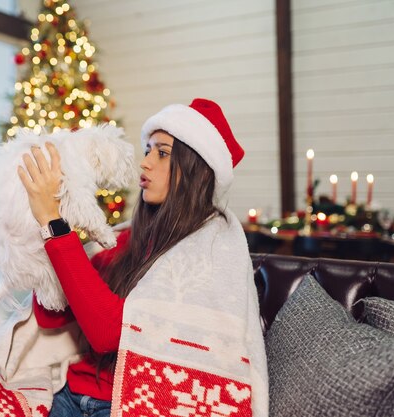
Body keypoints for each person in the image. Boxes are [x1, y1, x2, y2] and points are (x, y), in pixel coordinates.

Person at [17, 98, 269, 417]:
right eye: (148, 149)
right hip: (69, 393)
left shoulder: (207, 251)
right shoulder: (128, 238)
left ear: (196, 169)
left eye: (161, 153)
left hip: (121, 404)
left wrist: (54, 227)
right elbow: (50, 316)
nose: (145, 162)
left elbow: (107, 334)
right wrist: (50, 231)